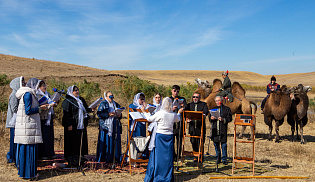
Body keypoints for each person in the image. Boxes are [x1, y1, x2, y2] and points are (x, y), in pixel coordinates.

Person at [142, 97, 183, 182]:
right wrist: (179, 113)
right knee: (167, 158)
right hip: (169, 136)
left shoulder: (160, 113)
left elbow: (150, 119)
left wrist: (144, 112)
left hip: (160, 136)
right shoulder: (173, 114)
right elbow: (178, 119)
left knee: (159, 157)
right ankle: (167, 175)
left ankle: (158, 175)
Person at [14, 78, 47, 179]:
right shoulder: (28, 94)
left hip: (29, 127)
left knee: (27, 151)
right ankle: (29, 174)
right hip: (28, 127)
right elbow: (28, 111)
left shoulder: (29, 94)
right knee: (29, 151)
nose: (37, 88)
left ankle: (25, 173)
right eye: (37, 85)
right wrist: (40, 109)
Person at [62, 85, 94, 167]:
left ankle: (80, 156)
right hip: (73, 124)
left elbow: (85, 108)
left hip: (81, 124)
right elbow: (66, 114)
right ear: (71, 92)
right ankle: (71, 158)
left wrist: (91, 110)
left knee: (80, 140)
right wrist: (69, 124)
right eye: (75, 90)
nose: (77, 91)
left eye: (77, 90)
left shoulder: (81, 99)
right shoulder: (68, 100)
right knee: (72, 141)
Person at [96, 91, 122, 163]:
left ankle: (115, 157)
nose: (111, 98)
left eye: (112, 96)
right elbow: (99, 114)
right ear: (106, 97)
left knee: (115, 141)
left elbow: (120, 112)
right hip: (106, 126)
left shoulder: (115, 104)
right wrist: (108, 114)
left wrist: (119, 115)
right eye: (110, 96)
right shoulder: (103, 104)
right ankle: (106, 158)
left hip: (114, 124)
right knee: (106, 142)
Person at [35, 80, 57, 160]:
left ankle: (50, 152)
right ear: (39, 87)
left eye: (45, 85)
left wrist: (55, 102)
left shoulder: (48, 94)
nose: (44, 87)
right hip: (43, 118)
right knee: (44, 136)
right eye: (42, 86)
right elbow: (39, 106)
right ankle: (43, 153)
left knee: (50, 136)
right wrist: (48, 105)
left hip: (49, 117)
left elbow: (51, 103)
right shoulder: (38, 95)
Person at [6, 76, 25, 164]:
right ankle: (12, 158)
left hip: (16, 121)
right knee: (14, 141)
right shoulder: (14, 95)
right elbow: (14, 109)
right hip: (13, 122)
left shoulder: (17, 94)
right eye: (23, 83)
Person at [184, 92, 209, 162]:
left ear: (199, 98)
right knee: (193, 141)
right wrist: (187, 118)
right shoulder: (189, 105)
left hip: (200, 127)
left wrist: (203, 116)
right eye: (194, 97)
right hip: (192, 127)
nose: (195, 98)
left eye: (197, 97)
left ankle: (201, 157)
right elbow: (186, 113)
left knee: (201, 142)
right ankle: (195, 156)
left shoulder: (203, 104)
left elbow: (205, 112)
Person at [210, 96, 232, 165]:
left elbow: (229, 118)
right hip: (215, 129)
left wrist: (223, 119)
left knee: (223, 144)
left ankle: (224, 159)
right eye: (216, 101)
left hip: (223, 129)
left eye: (218, 100)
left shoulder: (226, 109)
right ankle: (218, 157)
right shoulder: (213, 109)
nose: (217, 102)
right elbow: (209, 118)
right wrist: (211, 118)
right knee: (216, 144)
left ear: (222, 101)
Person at [169, 85, 187, 161]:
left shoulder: (182, 99)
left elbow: (187, 108)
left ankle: (179, 156)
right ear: (171, 91)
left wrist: (183, 106)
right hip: (171, 123)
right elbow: (165, 109)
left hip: (180, 123)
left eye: (177, 91)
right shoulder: (169, 99)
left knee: (179, 140)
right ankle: (173, 155)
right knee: (171, 141)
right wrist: (171, 108)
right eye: (174, 91)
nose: (176, 92)